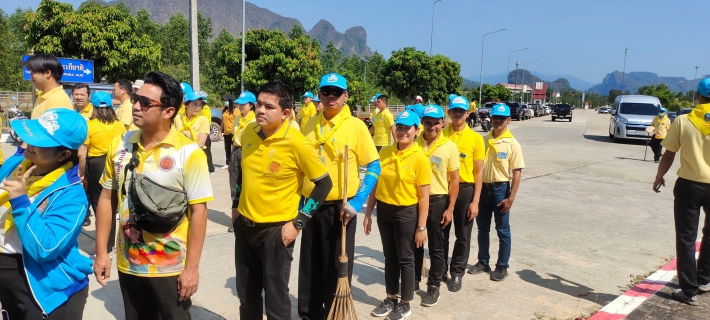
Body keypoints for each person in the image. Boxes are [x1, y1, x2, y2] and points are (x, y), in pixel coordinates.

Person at [93, 71, 213, 320]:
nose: (136, 106)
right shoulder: (120, 145)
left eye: (146, 103)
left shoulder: (189, 154)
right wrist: (102, 253)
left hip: (170, 267)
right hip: (129, 263)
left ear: (168, 112)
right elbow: (106, 198)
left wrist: (191, 268)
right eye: (136, 98)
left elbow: (199, 212)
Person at [233, 81, 332, 319]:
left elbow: (324, 184)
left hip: (277, 233)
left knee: (276, 301)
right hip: (245, 228)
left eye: (269, 106)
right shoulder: (249, 132)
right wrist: (236, 205)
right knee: (247, 298)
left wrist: (298, 223)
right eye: (258, 104)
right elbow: (243, 173)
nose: (260, 110)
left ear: (286, 113)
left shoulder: (298, 144)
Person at [298, 73, 381, 319]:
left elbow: (374, 166)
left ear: (345, 96)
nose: (331, 97)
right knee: (310, 264)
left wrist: (357, 202)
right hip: (311, 203)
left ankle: (334, 312)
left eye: (336, 93)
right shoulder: (310, 125)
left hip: (342, 206)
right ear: (319, 95)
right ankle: (309, 313)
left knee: (336, 265)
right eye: (326, 92)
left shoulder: (356, 127)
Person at [0, 109, 92, 319]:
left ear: (63, 154)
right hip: (10, 280)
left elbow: (44, 248)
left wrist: (21, 202)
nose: (30, 142)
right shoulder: (16, 163)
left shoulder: (72, 195)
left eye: (41, 141)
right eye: (33, 134)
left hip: (48, 291)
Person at [364, 110, 431, 320]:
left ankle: (405, 303)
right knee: (389, 257)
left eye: (407, 128)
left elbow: (424, 197)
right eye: (399, 127)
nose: (402, 132)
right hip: (384, 210)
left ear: (416, 130)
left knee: (406, 258)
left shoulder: (420, 158)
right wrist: (367, 213)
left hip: (406, 213)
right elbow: (375, 184)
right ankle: (391, 297)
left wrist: (421, 227)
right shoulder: (385, 152)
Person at [653, 78, 710, 306]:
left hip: (689, 185)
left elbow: (669, 154)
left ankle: (688, 290)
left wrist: (659, 176)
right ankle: (704, 280)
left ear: (698, 97)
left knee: (686, 237)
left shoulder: (683, 121)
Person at [471, 103, 524, 282]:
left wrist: (511, 198)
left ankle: (502, 266)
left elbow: (517, 173)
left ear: (509, 120)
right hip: (483, 189)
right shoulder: (484, 140)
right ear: (491, 118)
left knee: (502, 230)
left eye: (502, 118)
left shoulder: (512, 144)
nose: (498, 121)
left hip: (501, 190)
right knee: (482, 228)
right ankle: (483, 261)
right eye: (495, 117)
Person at [413, 105, 460, 306]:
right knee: (413, 243)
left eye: (436, 123)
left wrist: (450, 208)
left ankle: (434, 286)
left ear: (443, 123)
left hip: (437, 200)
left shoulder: (449, 146)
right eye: (428, 123)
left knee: (437, 246)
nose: (432, 127)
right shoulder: (414, 143)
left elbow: (455, 181)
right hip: (413, 200)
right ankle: (413, 279)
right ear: (422, 124)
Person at [439, 96, 485, 291]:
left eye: (461, 111)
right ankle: (440, 270)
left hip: (466, 190)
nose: (457, 114)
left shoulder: (476, 139)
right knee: (440, 232)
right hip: (443, 189)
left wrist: (475, 201)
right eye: (454, 110)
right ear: (449, 112)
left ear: (468, 113)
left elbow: (479, 172)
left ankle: (457, 273)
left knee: (463, 235)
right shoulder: (441, 135)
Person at [82, 91, 126, 244]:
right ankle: (111, 243)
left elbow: (82, 154)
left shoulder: (89, 125)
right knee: (113, 205)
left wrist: (82, 174)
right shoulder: (120, 126)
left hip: (97, 165)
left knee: (98, 205)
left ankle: (104, 246)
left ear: (93, 107)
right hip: (117, 163)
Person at [227, 91, 256, 233]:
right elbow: (234, 138)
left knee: (248, 185)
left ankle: (248, 217)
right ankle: (236, 219)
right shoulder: (238, 118)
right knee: (234, 186)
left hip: (249, 152)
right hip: (236, 152)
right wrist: (230, 159)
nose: (240, 106)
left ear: (251, 105)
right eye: (239, 103)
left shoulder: (255, 120)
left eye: (243, 104)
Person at [23, 54, 73, 119]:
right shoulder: (44, 96)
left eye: (33, 72)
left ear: (47, 73)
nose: (30, 75)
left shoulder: (58, 100)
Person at [220, 94, 237, 170]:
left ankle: (234, 164)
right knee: (227, 149)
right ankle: (227, 163)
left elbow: (238, 121)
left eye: (226, 101)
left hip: (233, 133)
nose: (225, 102)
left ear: (230, 101)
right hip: (226, 133)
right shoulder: (224, 111)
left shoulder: (236, 111)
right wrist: (220, 131)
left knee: (235, 149)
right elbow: (222, 122)